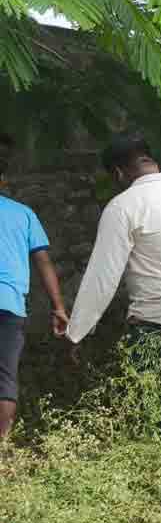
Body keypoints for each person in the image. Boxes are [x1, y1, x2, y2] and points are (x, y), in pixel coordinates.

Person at [62, 133, 161, 440]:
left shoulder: (122, 207)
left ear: (119, 173)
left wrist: (76, 332)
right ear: (150, 159)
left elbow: (103, 276)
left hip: (155, 323)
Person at [0, 132, 69, 438]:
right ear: (3, 181)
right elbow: (43, 263)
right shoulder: (24, 214)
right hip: (10, 305)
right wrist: (58, 307)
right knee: (5, 377)